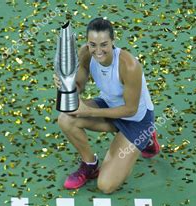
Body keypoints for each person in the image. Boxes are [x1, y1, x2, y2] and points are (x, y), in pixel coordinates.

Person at [54, 17, 160, 193]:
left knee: (106, 186)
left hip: (136, 120)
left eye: (103, 44)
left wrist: (88, 112)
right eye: (92, 44)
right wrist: (66, 84)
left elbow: (130, 109)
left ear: (112, 41)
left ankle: (147, 136)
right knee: (66, 118)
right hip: (108, 107)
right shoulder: (86, 53)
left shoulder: (129, 65)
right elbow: (79, 86)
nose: (98, 50)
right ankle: (90, 164)